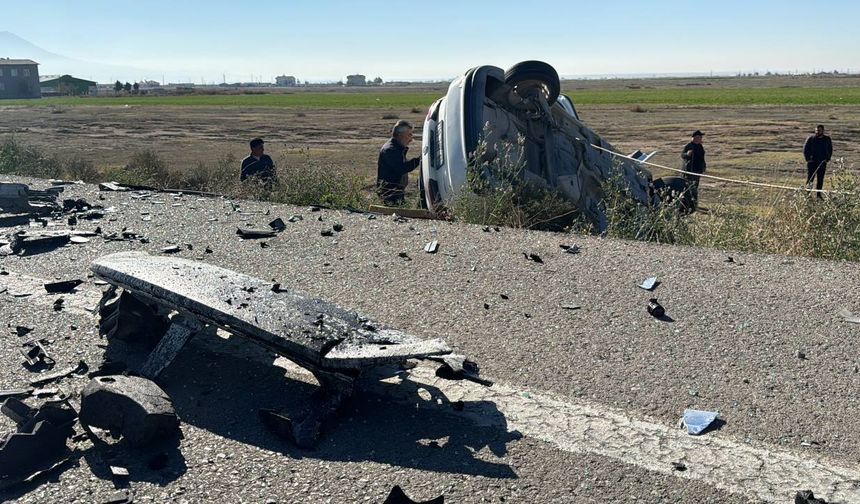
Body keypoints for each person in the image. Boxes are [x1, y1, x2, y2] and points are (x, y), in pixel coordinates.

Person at [377, 120, 421, 205]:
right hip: (390, 194)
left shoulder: (397, 148)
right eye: (409, 134)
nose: (411, 138)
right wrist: (420, 160)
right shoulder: (390, 150)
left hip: (396, 192)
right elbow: (401, 168)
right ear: (401, 135)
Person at [803, 124, 833, 199]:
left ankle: (818, 195)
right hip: (812, 162)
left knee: (820, 179)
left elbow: (830, 149)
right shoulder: (811, 139)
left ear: (823, 131)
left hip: (822, 162)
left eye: (819, 130)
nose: (817, 132)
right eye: (816, 130)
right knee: (810, 179)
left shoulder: (827, 139)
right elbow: (805, 149)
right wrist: (808, 159)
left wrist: (827, 158)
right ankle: (808, 195)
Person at [680, 130, 707, 208]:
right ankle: (685, 203)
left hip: (697, 170)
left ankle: (694, 203)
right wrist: (687, 154)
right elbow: (682, 155)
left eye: (701, 137)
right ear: (695, 137)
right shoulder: (688, 146)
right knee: (687, 187)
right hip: (689, 171)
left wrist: (704, 166)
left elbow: (702, 157)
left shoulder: (700, 146)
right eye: (700, 137)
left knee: (695, 187)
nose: (701, 138)